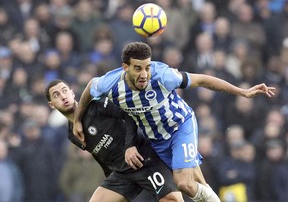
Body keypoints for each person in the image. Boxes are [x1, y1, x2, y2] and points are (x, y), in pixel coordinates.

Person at [73, 42, 276, 202]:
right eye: (137, 68)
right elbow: (90, 88)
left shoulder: (163, 75)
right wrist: (77, 119)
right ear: (125, 67)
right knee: (198, 184)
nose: (144, 74)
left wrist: (242, 92)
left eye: (147, 67)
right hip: (157, 140)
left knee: (183, 183)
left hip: (181, 127)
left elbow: (202, 80)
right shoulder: (111, 83)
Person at [45, 79, 184, 202]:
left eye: (64, 91)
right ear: (51, 104)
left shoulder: (96, 105)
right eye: (56, 95)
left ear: (72, 93)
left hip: (143, 159)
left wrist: (130, 146)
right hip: (122, 174)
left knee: (172, 199)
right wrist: (109, 177)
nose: (63, 97)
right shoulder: (72, 134)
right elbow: (98, 154)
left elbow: (128, 113)